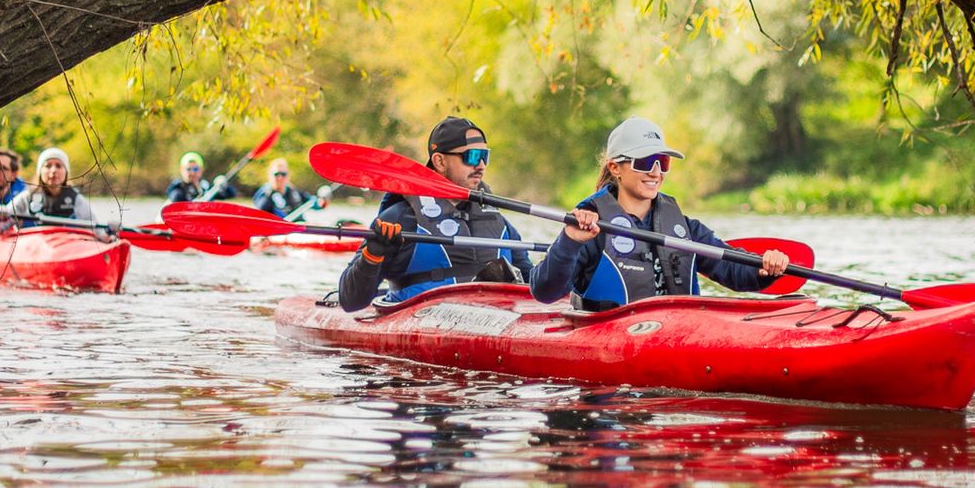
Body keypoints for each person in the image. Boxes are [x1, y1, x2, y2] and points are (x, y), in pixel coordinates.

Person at [530, 117, 789, 311]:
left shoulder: (683, 227)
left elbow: (731, 270)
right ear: (615, 167)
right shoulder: (590, 227)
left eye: (662, 162)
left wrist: (764, 269)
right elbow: (544, 291)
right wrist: (570, 241)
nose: (656, 172)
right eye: (644, 162)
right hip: (611, 341)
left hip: (679, 334)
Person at [333, 117, 533, 311]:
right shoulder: (400, 219)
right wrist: (372, 256)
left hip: (495, 318)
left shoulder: (500, 224)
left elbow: (536, 288)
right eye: (471, 156)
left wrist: (564, 247)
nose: (480, 165)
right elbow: (351, 301)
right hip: (418, 324)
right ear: (439, 161)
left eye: (485, 156)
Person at [0, 148, 112, 237]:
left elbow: (98, 233)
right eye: (48, 166)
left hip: (67, 251)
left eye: (59, 166)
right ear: (40, 172)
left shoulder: (76, 200)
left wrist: (109, 234)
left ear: (66, 172)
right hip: (33, 250)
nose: (53, 170)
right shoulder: (26, 197)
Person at [253, 159, 328, 218]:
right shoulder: (265, 192)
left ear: (288, 176)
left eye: (283, 174)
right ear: (270, 175)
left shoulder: (293, 191)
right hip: (279, 230)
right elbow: (260, 210)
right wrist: (270, 193)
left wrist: (321, 203)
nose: (280, 178)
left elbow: (311, 202)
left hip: (299, 227)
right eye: (276, 174)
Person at [166, 151, 236, 203]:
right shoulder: (177, 188)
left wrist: (224, 185)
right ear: (182, 170)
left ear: (201, 170)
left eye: (196, 169)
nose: (193, 173)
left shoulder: (206, 187)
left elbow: (231, 194)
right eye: (188, 169)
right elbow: (174, 197)